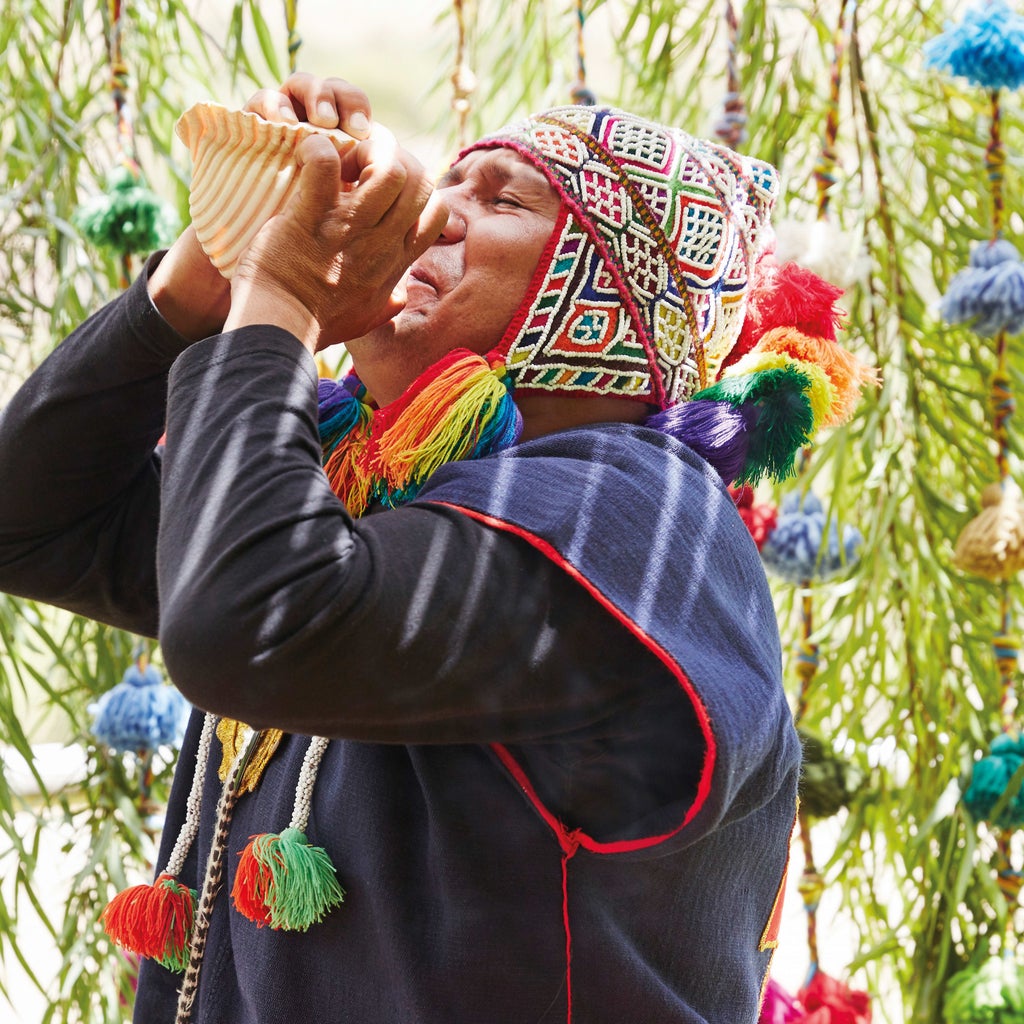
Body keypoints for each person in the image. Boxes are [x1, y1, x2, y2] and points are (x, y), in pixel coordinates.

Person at [0, 73, 816, 1023]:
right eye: (451, 184)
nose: (428, 214)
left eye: (502, 199)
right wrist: (202, 283)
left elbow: (255, 625)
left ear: (610, 309)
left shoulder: (638, 524)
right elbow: (33, 524)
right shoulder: (369, 493)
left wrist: (284, 295)